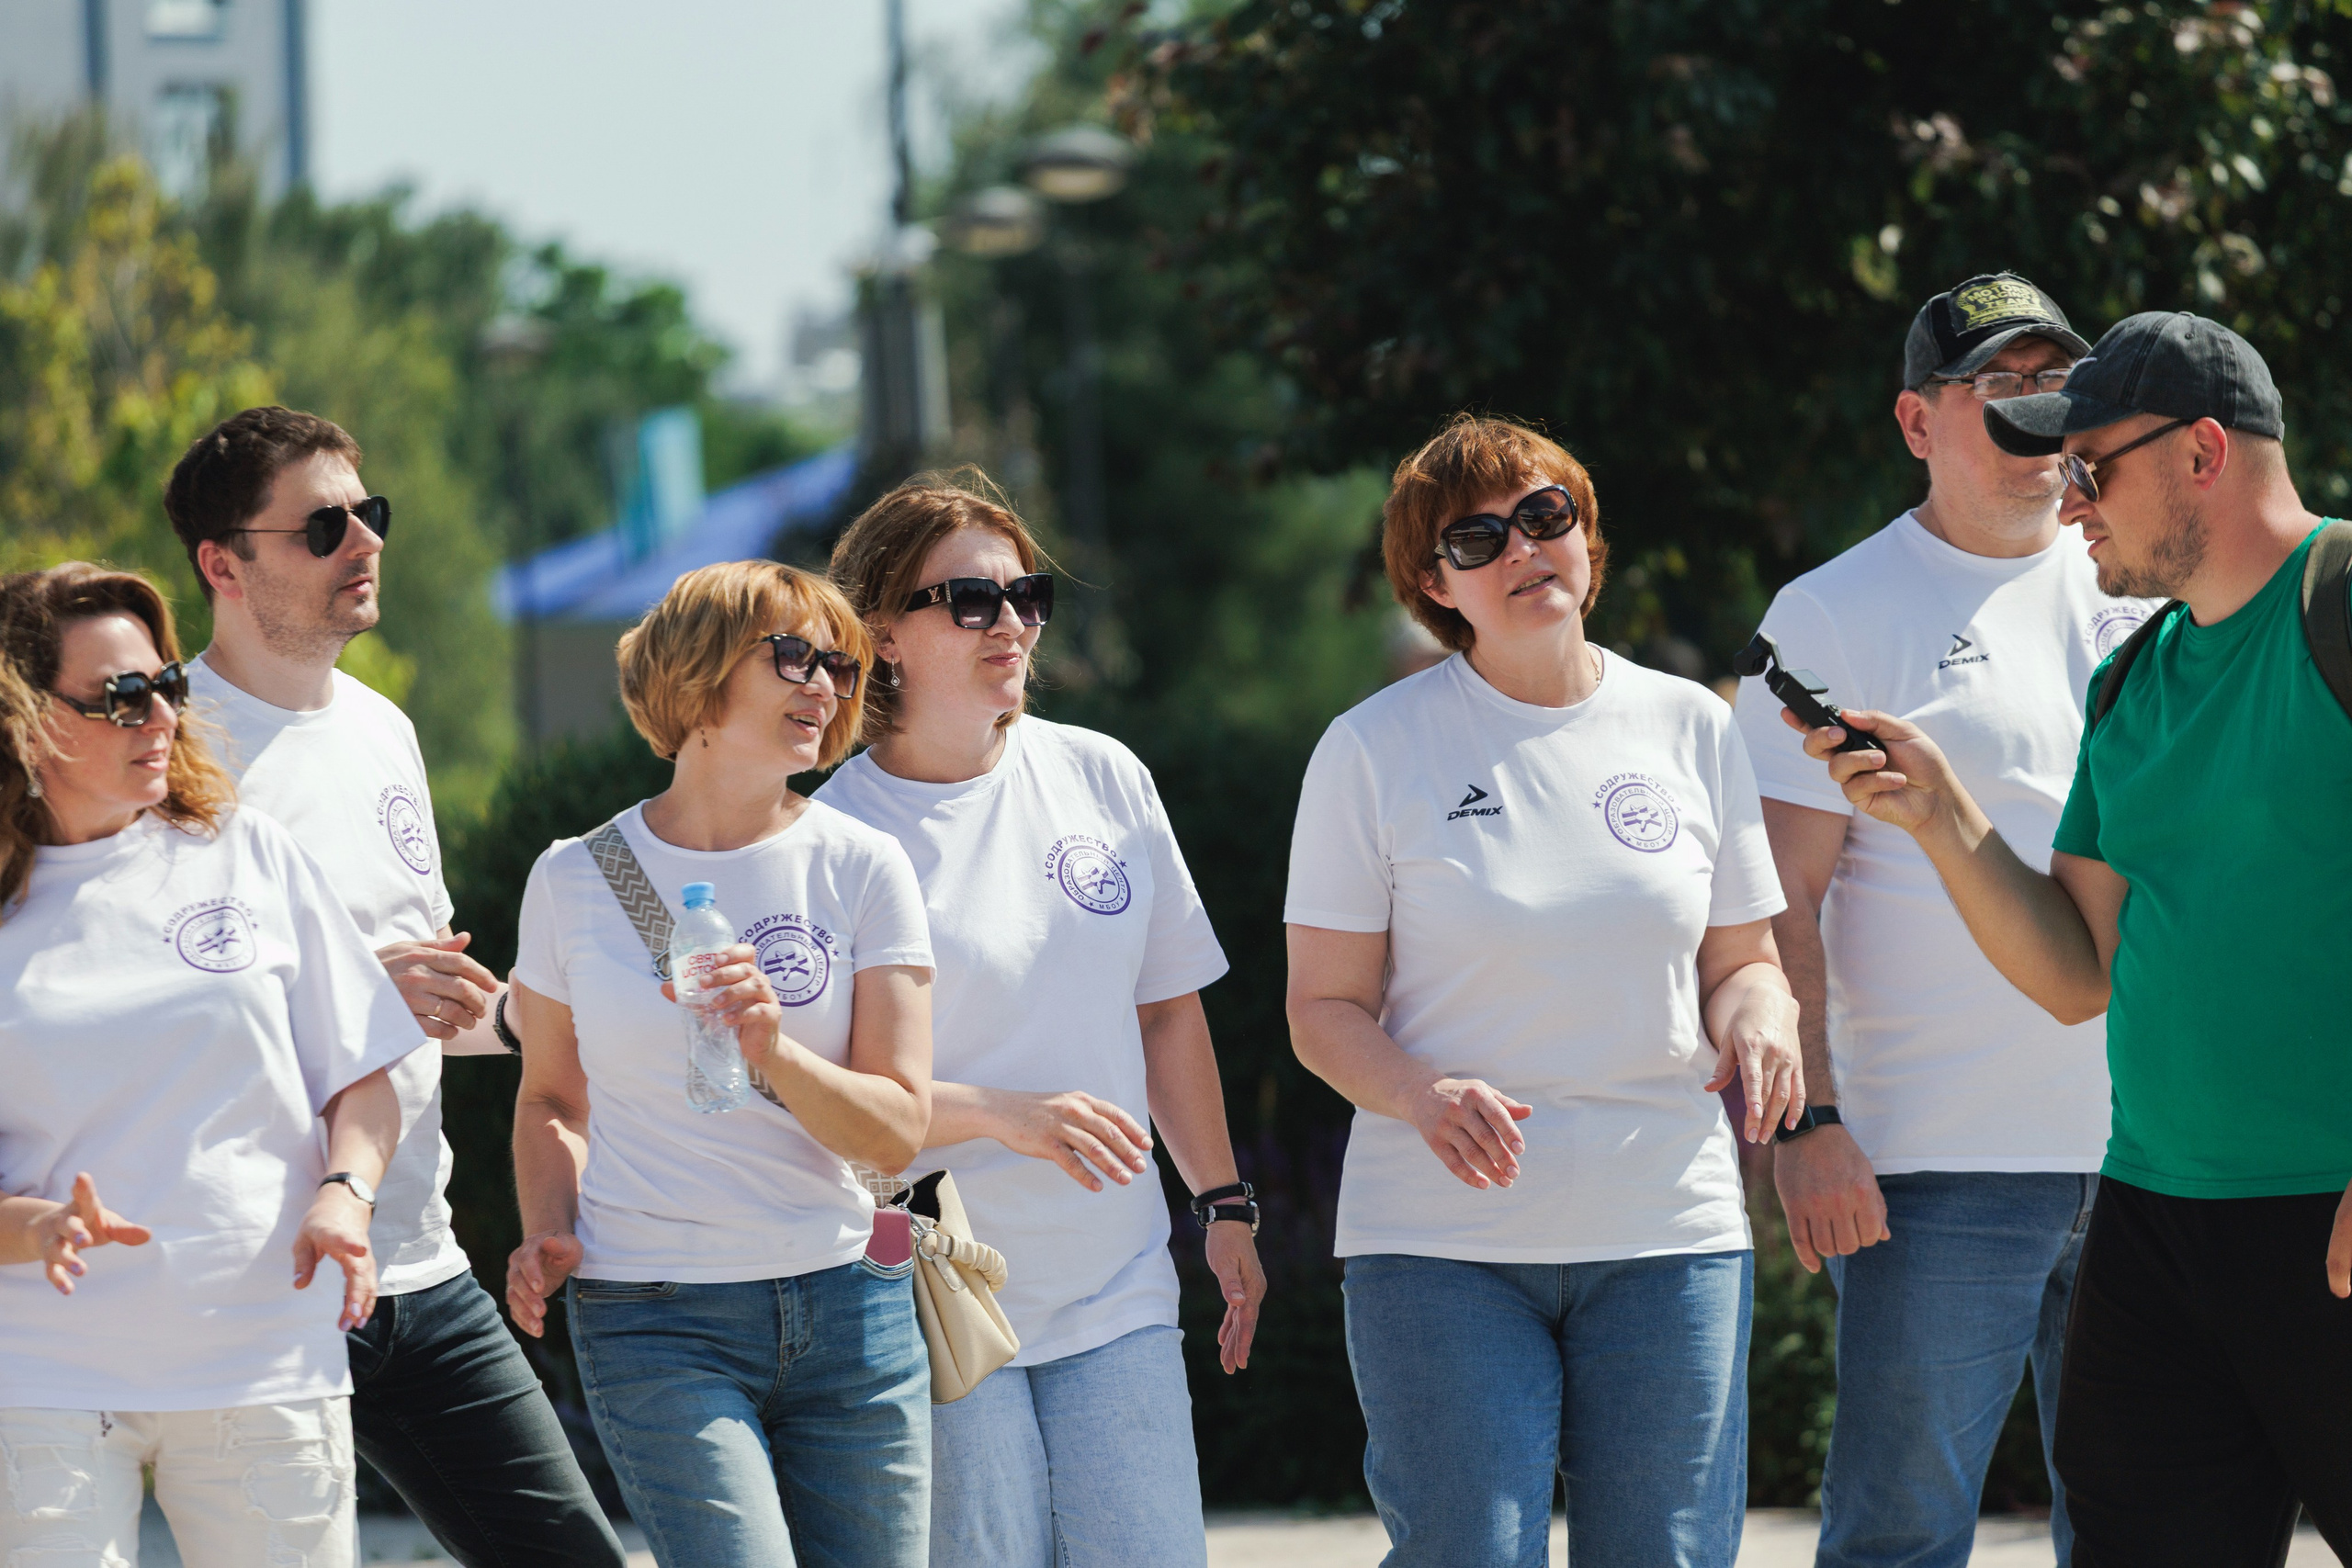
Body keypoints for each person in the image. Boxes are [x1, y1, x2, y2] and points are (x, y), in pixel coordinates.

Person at [1786, 311, 2352, 1566]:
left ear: (2205, 451)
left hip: (2330, 1212)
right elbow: (2074, 971)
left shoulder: (2344, 600)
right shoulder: (2132, 680)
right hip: (2153, 1225)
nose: (2068, 494)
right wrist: (1941, 814)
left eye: (2093, 463)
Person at [1283, 414, 1803, 1568]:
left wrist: (1762, 1021)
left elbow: (1741, 960)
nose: (1522, 550)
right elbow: (1320, 1009)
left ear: (1585, 535)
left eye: (1543, 517)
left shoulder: (1691, 724)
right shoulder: (1371, 750)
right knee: (1470, 1552)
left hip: (1665, 1225)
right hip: (1441, 1243)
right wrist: (1419, 1093)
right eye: (1476, 538)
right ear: (1434, 582)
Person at [1732, 274, 2154, 1567]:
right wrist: (1809, 1124)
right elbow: (1775, 901)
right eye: (2000, 382)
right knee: (1901, 1534)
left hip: (2158, 1151)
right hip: (1937, 1166)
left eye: (2056, 377)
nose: (2038, 405)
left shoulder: (2148, 579)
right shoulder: (1832, 612)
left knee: (2151, 1528)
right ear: (1917, 423)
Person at [161, 404, 628, 1566]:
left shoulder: (383, 730)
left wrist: (546, 1018)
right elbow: (132, 1016)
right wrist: (354, 989)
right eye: (322, 527)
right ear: (223, 562)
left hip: (416, 1264)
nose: (365, 542)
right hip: (246, 1288)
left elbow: (417, 1007)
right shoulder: (153, 749)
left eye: (371, 514)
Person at [818, 474, 1264, 1568]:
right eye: (968, 601)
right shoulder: (830, 836)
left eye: (1025, 595)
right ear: (883, 632)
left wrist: (1222, 1200)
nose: (1010, 622)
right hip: (929, 1281)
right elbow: (827, 1108)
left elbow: (1166, 1015)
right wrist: (1003, 1117)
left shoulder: (1101, 775)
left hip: (1116, 1280)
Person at [503, 559, 935, 1568]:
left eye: (839, 663)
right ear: (694, 676)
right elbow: (551, 1098)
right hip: (655, 1319)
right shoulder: (575, 877)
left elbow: (897, 1128)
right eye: (792, 655)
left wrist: (773, 1048)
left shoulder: (863, 866)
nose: (823, 684)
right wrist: (547, 1229)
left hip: (850, 1311)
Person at [0, 563, 421, 1568]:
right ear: (24, 722)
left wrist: (346, 1193)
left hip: (261, 1352)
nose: (159, 716)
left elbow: (364, 1072)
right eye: (121, 696)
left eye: (167, 687)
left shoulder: (248, 852)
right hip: (44, 1371)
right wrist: (40, 1226)